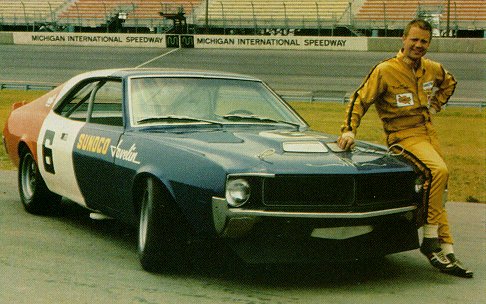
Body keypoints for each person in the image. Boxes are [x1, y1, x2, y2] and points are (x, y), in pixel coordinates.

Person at [337, 19, 473, 278]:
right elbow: (359, 99)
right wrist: (348, 129)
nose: (418, 45)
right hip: (403, 136)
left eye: (424, 41)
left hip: (427, 133)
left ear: (429, 44)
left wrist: (436, 105)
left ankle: (446, 248)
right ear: (403, 39)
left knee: (438, 185)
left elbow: (450, 82)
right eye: (414, 40)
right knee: (438, 171)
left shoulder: (432, 69)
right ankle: (430, 239)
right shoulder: (385, 70)